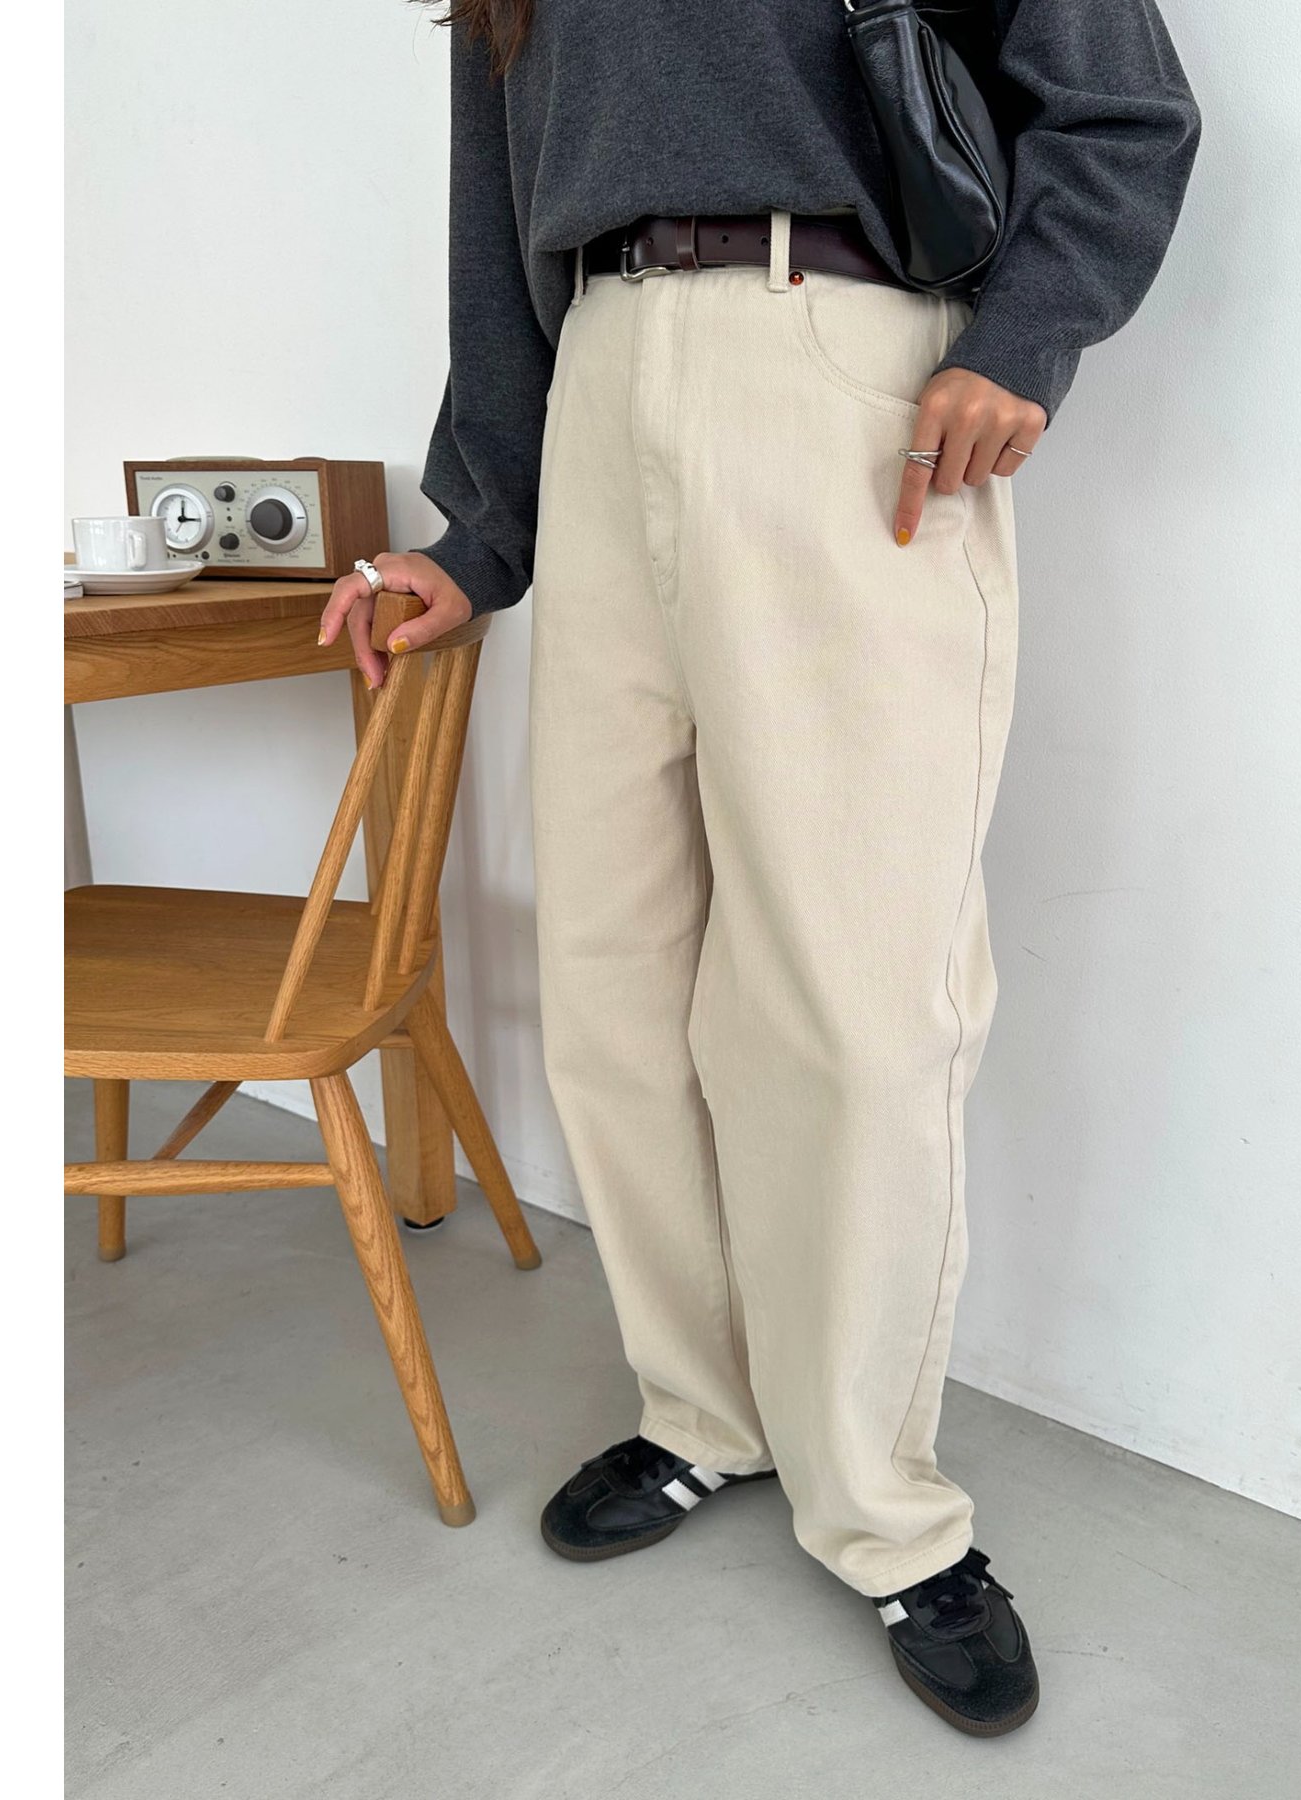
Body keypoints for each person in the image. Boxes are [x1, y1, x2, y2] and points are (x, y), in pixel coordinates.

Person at [320, 0, 1198, 1737]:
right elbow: (497, 217)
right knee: (615, 974)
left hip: (845, 372)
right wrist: (480, 534)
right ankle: (701, 1413)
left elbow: (1120, 108)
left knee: (857, 997)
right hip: (599, 377)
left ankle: (883, 1510)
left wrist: (1022, 338)